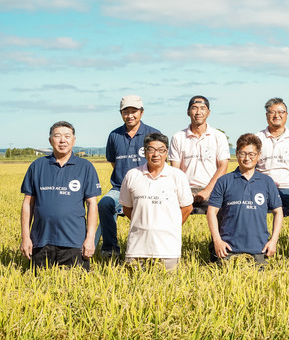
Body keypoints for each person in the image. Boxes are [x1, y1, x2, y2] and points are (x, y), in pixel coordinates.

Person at [20, 121, 100, 270]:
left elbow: (92, 205)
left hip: (74, 243)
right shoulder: (37, 166)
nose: (62, 140)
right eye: (57, 136)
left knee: (75, 287)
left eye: (67, 136)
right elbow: (27, 204)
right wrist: (25, 238)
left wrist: (90, 239)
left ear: (73, 140)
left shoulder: (85, 167)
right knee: (39, 287)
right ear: (50, 140)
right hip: (41, 241)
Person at [119, 133, 193, 271]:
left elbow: (187, 208)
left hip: (168, 249)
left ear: (167, 152)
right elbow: (127, 208)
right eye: (151, 150)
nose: (155, 154)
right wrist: (143, 223)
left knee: (167, 289)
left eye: (161, 150)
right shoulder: (132, 175)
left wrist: (171, 226)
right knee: (134, 288)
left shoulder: (177, 176)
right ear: (144, 151)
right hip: (136, 249)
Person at [207, 133, 283, 266]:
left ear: (258, 155)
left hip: (259, 250)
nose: (247, 158)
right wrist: (217, 241)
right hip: (228, 251)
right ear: (236, 154)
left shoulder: (267, 182)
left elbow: (278, 212)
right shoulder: (224, 181)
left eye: (251, 154)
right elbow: (211, 212)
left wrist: (273, 241)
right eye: (242, 153)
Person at [98, 95, 159, 258]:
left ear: (142, 112)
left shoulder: (153, 134)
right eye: (126, 112)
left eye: (134, 111)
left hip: (148, 187)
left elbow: (159, 164)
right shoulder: (114, 135)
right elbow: (113, 161)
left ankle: (152, 249)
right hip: (119, 188)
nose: (130, 115)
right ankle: (110, 249)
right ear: (121, 113)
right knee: (105, 204)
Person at [255, 98, 289, 252]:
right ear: (266, 115)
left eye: (281, 112)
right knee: (246, 206)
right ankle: (257, 243)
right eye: (272, 112)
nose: (276, 115)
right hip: (263, 189)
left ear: (286, 115)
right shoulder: (257, 138)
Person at [169, 95, 230, 214]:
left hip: (213, 189)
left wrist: (207, 191)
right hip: (185, 189)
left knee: (225, 212)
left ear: (208, 112)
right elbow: (175, 170)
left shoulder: (218, 136)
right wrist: (185, 191)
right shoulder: (178, 137)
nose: (198, 112)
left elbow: (223, 167)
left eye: (202, 108)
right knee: (169, 212)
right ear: (188, 112)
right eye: (194, 108)